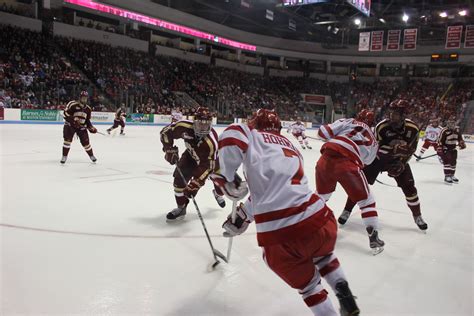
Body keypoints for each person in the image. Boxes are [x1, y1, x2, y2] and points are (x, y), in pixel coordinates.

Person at [214, 109, 360, 316]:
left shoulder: (250, 134)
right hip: (320, 217)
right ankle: (343, 289)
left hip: (282, 234)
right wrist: (244, 216)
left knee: (310, 288)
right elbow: (273, 188)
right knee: (324, 256)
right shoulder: (291, 146)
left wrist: (225, 179)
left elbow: (232, 135)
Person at [340, 99, 428, 231]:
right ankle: (347, 210)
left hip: (398, 160)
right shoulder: (382, 126)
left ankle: (418, 216)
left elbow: (411, 150)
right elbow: (373, 149)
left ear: (404, 115)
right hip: (378, 160)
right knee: (360, 185)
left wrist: (402, 163)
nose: (392, 116)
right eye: (391, 112)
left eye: (396, 113)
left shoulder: (413, 128)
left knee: (409, 187)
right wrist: (391, 150)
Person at [317, 109, 384, 254]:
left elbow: (322, 132)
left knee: (321, 196)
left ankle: (303, 228)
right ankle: (374, 238)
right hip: (348, 164)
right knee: (366, 201)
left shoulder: (347, 121)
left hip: (325, 158)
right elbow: (367, 161)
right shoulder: (373, 139)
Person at [160, 107, 225, 222]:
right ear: (194, 121)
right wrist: (168, 149)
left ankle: (218, 193)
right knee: (179, 180)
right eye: (200, 124)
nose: (202, 127)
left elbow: (208, 166)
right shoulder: (184, 126)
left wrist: (196, 182)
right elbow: (165, 132)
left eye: (206, 124)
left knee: (221, 187)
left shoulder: (211, 143)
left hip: (212, 162)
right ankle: (181, 208)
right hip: (191, 156)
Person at [61, 91, 97, 164]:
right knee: (67, 140)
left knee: (86, 143)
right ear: (80, 98)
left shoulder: (88, 109)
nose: (84, 99)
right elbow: (65, 113)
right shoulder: (72, 104)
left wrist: (91, 127)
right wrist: (73, 119)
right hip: (70, 125)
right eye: (83, 98)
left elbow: (87, 121)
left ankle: (91, 155)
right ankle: (64, 156)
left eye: (85, 98)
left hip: (81, 127)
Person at [437, 118, 466, 184]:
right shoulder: (444, 130)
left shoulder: (457, 130)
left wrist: (461, 143)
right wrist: (440, 148)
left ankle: (452, 175)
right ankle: (447, 176)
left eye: (453, 123)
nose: (451, 124)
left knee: (453, 163)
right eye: (450, 123)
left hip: (453, 149)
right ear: (448, 123)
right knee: (447, 162)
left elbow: (460, 138)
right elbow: (439, 140)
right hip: (446, 149)